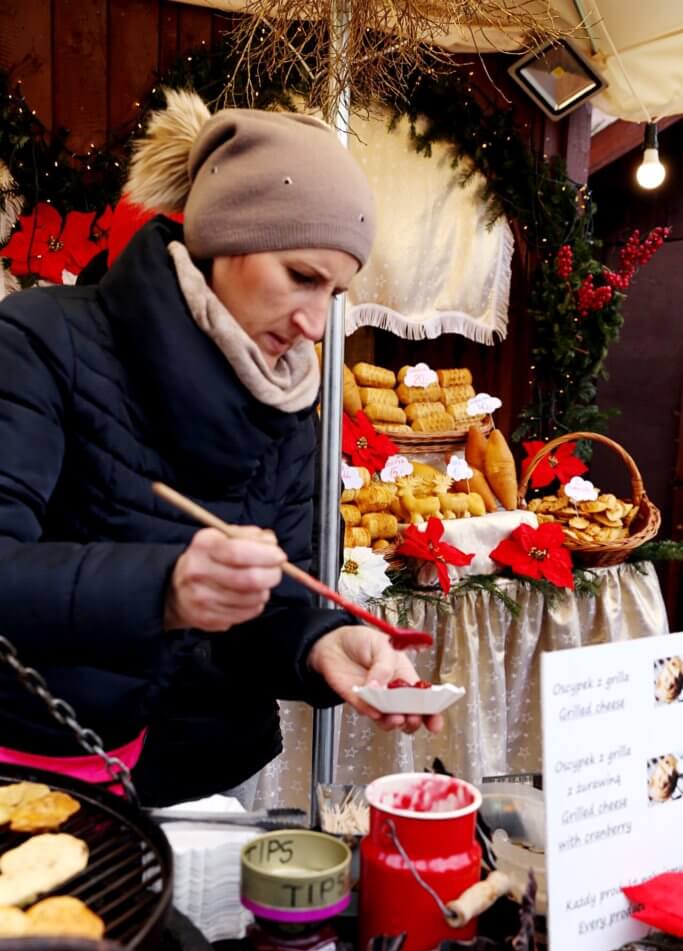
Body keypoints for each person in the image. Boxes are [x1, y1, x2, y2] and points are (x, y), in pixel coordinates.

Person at [0, 90, 442, 807]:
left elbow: (269, 605)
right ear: (225, 241)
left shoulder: (288, 403)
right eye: (301, 276)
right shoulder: (40, 341)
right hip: (32, 767)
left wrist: (317, 643)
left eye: (335, 291)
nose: (316, 324)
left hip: (194, 769)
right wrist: (164, 588)